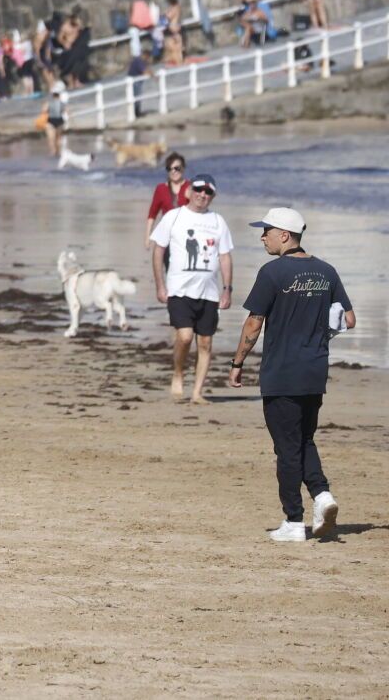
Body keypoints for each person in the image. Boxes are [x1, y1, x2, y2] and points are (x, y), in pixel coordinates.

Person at [229, 206, 354, 541]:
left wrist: (237, 362)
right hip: (314, 371)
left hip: (281, 372)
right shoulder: (327, 271)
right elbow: (349, 319)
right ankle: (323, 496)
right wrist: (319, 335)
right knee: (303, 439)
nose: (262, 236)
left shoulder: (273, 272)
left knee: (286, 448)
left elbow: (254, 324)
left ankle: (294, 522)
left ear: (284, 235)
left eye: (266, 230)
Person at [149, 171, 234, 403]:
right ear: (189, 191)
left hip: (209, 292)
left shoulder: (218, 221)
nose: (202, 195)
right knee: (185, 337)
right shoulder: (174, 217)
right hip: (179, 289)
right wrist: (160, 285)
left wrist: (227, 289)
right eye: (198, 189)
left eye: (208, 192)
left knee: (205, 342)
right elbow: (158, 250)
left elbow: (225, 256)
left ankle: (197, 392)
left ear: (213, 196)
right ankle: (178, 373)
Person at [145, 153, 192, 248]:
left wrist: (191, 197)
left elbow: (201, 210)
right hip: (167, 238)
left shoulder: (191, 187)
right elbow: (152, 214)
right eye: (169, 169)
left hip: (187, 238)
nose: (173, 171)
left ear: (183, 168)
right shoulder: (161, 189)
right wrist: (147, 237)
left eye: (177, 168)